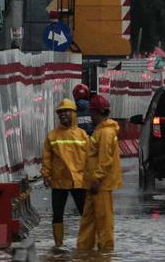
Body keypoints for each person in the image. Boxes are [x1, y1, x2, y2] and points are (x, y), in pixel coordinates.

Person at [41, 98, 89, 250]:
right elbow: (47, 158)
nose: (63, 115)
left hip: (79, 181)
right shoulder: (52, 136)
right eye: (60, 112)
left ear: (73, 113)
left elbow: (89, 158)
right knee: (57, 215)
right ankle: (58, 244)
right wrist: (46, 175)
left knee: (85, 214)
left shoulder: (82, 135)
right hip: (59, 181)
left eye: (66, 111)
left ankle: (86, 242)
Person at [77, 94, 121, 252]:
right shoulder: (101, 131)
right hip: (94, 184)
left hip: (100, 185)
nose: (90, 116)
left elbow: (105, 159)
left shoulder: (106, 133)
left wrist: (96, 179)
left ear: (97, 112)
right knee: (88, 220)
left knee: (104, 220)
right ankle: (84, 250)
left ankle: (106, 253)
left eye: (92, 113)